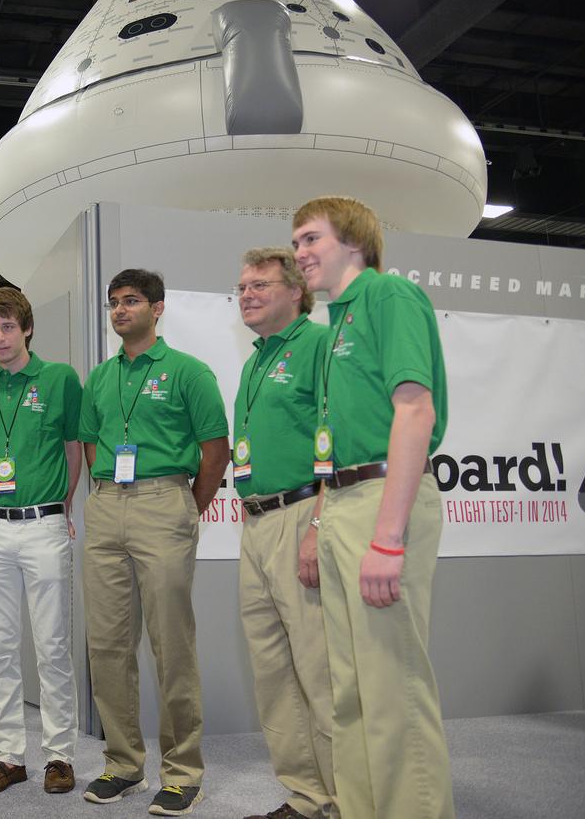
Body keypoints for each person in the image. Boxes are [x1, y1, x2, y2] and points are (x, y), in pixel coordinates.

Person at [291, 196, 453, 819]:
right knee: (353, 689)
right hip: (344, 502)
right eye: (297, 242)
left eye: (311, 239)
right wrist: (320, 523)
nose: (300, 253)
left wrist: (387, 538)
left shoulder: (389, 298)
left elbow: (415, 411)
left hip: (384, 503)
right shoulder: (336, 323)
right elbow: (338, 441)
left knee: (394, 689)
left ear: (353, 241)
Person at [78, 269, 229, 816]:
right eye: (114, 303)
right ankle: (123, 763)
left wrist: (187, 505)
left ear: (158, 308)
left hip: (165, 501)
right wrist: (108, 492)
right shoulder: (100, 377)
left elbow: (216, 449)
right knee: (109, 644)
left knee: (171, 643)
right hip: (106, 503)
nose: (120, 310)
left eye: (132, 301)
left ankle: (183, 770)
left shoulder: (188, 372)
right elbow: (92, 443)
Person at [0, 287, 81, 796]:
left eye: (8, 327)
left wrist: (63, 507)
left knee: (52, 645)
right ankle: (8, 757)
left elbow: (74, 448)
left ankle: (60, 755)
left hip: (43, 526)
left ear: (27, 329)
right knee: (0, 647)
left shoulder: (59, 379)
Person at [231, 249, 334, 819]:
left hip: (303, 515)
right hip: (255, 522)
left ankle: (347, 797)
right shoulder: (254, 361)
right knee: (272, 671)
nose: (244, 293)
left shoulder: (319, 345)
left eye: (258, 284)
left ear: (296, 290)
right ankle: (306, 795)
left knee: (319, 670)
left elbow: (334, 436)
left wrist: (320, 524)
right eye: (241, 286)